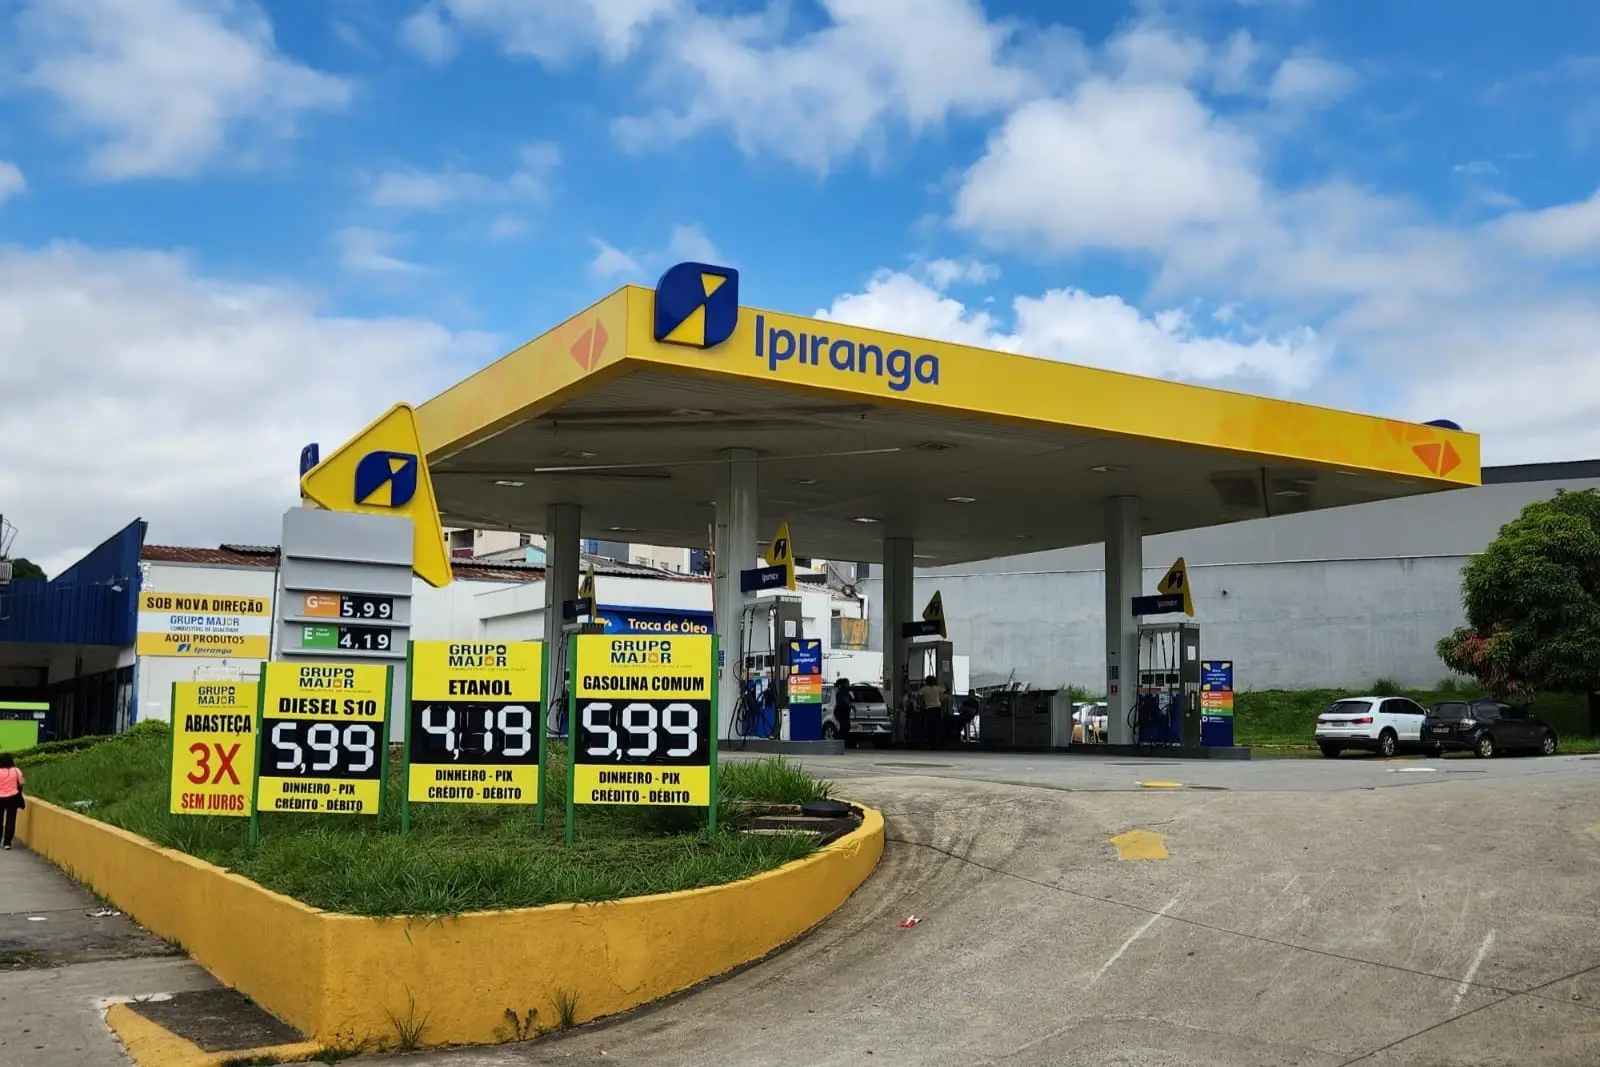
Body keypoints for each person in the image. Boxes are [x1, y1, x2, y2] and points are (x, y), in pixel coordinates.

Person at [0, 753, 24, 851]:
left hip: (0, 798)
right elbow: (21, 782)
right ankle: (7, 843)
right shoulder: (16, 770)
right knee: (11, 820)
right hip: (13, 797)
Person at [918, 675, 945, 749]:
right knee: (937, 726)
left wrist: (921, 705)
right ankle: (937, 743)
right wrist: (946, 686)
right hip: (937, 709)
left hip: (929, 709)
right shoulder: (938, 688)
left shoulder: (924, 689)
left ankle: (931, 743)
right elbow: (947, 691)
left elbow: (918, 696)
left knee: (930, 727)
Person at [832, 677, 853, 746]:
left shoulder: (840, 690)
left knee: (844, 727)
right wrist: (850, 705)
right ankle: (840, 742)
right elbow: (846, 699)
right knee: (845, 727)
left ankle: (840, 742)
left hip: (840, 711)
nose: (849, 684)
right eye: (848, 683)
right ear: (844, 684)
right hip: (841, 711)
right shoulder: (844, 690)